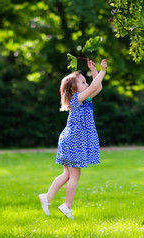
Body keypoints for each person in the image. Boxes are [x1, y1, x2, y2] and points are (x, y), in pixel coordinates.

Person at [39, 58, 108, 219]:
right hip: (73, 141)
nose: (86, 84)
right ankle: (67, 206)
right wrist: (102, 71)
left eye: (85, 82)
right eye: (82, 82)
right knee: (74, 176)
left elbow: (97, 87)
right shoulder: (77, 99)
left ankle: (47, 197)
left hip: (70, 140)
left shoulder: (85, 99)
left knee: (67, 175)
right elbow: (93, 86)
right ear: (73, 89)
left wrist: (94, 72)